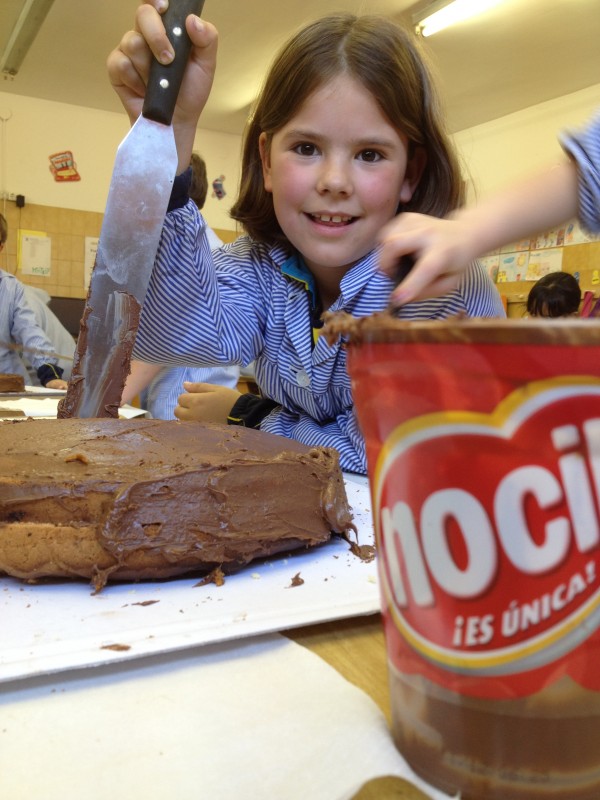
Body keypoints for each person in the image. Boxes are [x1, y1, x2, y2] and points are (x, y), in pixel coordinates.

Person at [108, 4, 504, 473]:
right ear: (267, 161)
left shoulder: (438, 285)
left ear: (410, 174)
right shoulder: (255, 264)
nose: (334, 181)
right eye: (307, 148)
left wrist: (250, 415)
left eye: (370, 154)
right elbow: (168, 341)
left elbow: (385, 452)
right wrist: (168, 148)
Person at [378, 111, 600, 305]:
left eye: (371, 155)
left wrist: (465, 233)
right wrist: (466, 232)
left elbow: (589, 171)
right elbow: (589, 169)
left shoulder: (466, 291)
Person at [121, 151, 240, 419]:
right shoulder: (210, 246)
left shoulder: (183, 252)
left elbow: (158, 348)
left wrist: (105, 400)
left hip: (183, 412)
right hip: (194, 411)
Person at [0, 214, 68, 389]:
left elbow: (28, 330)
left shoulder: (11, 288)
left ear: (1, 247)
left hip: (8, 383)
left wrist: (48, 372)